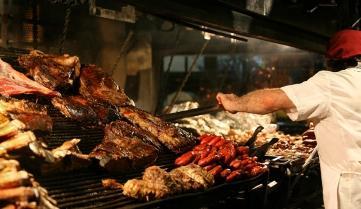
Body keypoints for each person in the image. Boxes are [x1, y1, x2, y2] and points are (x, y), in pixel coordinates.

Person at [216, 29, 361, 209]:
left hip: (353, 188)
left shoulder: (332, 83)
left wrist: (235, 102)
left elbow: (272, 100)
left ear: (336, 60)